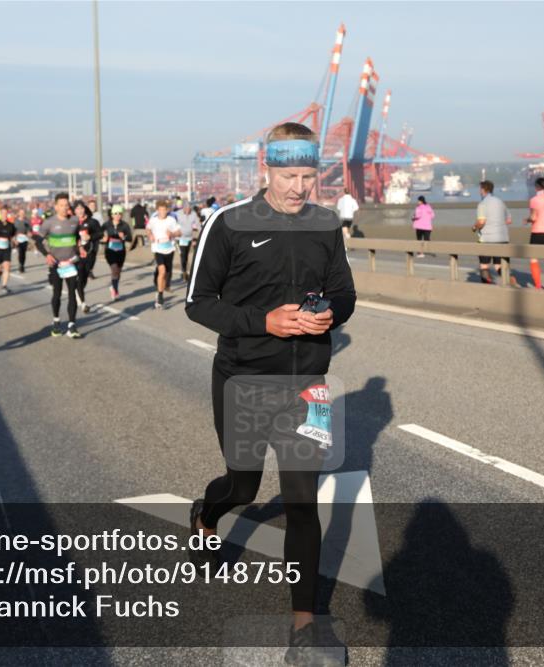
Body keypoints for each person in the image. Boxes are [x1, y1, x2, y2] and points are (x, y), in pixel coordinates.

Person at [186, 122, 355, 665]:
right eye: (289, 176)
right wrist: (264, 321)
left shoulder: (326, 224)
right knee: (242, 486)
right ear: (267, 168)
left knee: (303, 501)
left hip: (308, 385)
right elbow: (198, 302)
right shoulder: (228, 222)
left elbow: (345, 293)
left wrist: (331, 314)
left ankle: (304, 628)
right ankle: (207, 515)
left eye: (308, 176)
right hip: (243, 380)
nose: (299, 187)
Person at [36, 192, 85, 338]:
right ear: (56, 207)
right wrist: (47, 254)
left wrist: (80, 247)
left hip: (71, 262)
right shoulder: (49, 223)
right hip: (56, 264)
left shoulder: (74, 221)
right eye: (61, 205)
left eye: (66, 205)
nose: (64, 208)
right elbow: (38, 241)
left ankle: (72, 325)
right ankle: (56, 321)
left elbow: (77, 236)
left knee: (72, 293)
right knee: (56, 294)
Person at [473, 180, 512, 284]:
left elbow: (481, 222)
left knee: (484, 265)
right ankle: (509, 279)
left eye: (480, 189)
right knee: (498, 265)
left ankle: (487, 286)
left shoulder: (482, 204)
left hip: (487, 239)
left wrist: (474, 227)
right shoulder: (500, 202)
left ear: (483, 190)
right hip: (503, 238)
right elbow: (509, 220)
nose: (479, 191)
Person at [147, 199, 181, 309]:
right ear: (157, 210)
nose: (162, 212)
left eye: (164, 210)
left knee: (166, 273)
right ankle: (160, 296)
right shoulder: (153, 220)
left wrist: (172, 234)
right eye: (160, 210)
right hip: (157, 248)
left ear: (167, 210)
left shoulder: (171, 220)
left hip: (169, 249)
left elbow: (179, 232)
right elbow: (148, 229)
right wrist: (150, 235)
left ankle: (159, 287)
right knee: (162, 270)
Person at [74, 200, 102, 314]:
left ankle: (78, 292)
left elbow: (100, 234)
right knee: (79, 277)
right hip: (76, 254)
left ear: (85, 209)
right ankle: (83, 304)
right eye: (77, 209)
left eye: (81, 208)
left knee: (84, 278)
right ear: (74, 211)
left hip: (90, 253)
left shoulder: (92, 222)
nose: (80, 211)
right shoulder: (72, 222)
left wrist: (90, 237)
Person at [102, 204, 132, 300]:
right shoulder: (106, 225)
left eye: (120, 213)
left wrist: (124, 237)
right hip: (110, 251)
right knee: (114, 269)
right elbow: (99, 235)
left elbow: (130, 238)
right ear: (112, 215)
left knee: (118, 272)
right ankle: (115, 291)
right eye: (115, 213)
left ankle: (114, 286)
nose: (118, 215)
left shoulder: (124, 225)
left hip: (121, 251)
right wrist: (103, 239)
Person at [174, 202, 201, 281]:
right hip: (180, 238)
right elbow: (173, 223)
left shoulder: (193, 214)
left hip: (189, 238)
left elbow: (198, 225)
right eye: (186, 209)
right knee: (183, 254)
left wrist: (201, 234)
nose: (188, 210)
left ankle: (185, 271)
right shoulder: (177, 214)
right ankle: (184, 272)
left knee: (186, 255)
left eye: (189, 209)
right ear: (183, 208)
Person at [13, 208, 32, 273]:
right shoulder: (16, 221)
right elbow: (13, 231)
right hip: (18, 238)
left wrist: (29, 233)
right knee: (20, 252)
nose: (22, 214)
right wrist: (15, 239)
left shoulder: (27, 221)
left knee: (23, 253)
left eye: (23, 213)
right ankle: (20, 265)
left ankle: (22, 265)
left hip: (25, 238)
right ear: (18, 213)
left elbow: (29, 230)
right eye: (21, 213)